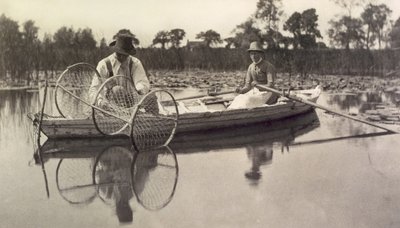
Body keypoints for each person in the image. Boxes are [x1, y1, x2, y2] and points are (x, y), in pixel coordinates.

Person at [89, 31, 150, 107]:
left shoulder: (135, 63)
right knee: (117, 90)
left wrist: (139, 89)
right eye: (119, 54)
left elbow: (142, 82)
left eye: (125, 55)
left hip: (132, 101)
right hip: (110, 104)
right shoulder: (104, 64)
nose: (122, 57)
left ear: (129, 53)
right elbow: (94, 89)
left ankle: (156, 118)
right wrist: (100, 102)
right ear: (115, 51)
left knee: (151, 97)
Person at [228, 41, 278, 109]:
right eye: (251, 54)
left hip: (269, 93)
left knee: (248, 100)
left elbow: (270, 85)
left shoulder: (268, 66)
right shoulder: (250, 67)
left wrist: (258, 86)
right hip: (256, 92)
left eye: (255, 53)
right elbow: (247, 86)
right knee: (238, 98)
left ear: (260, 54)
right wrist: (241, 91)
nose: (253, 56)